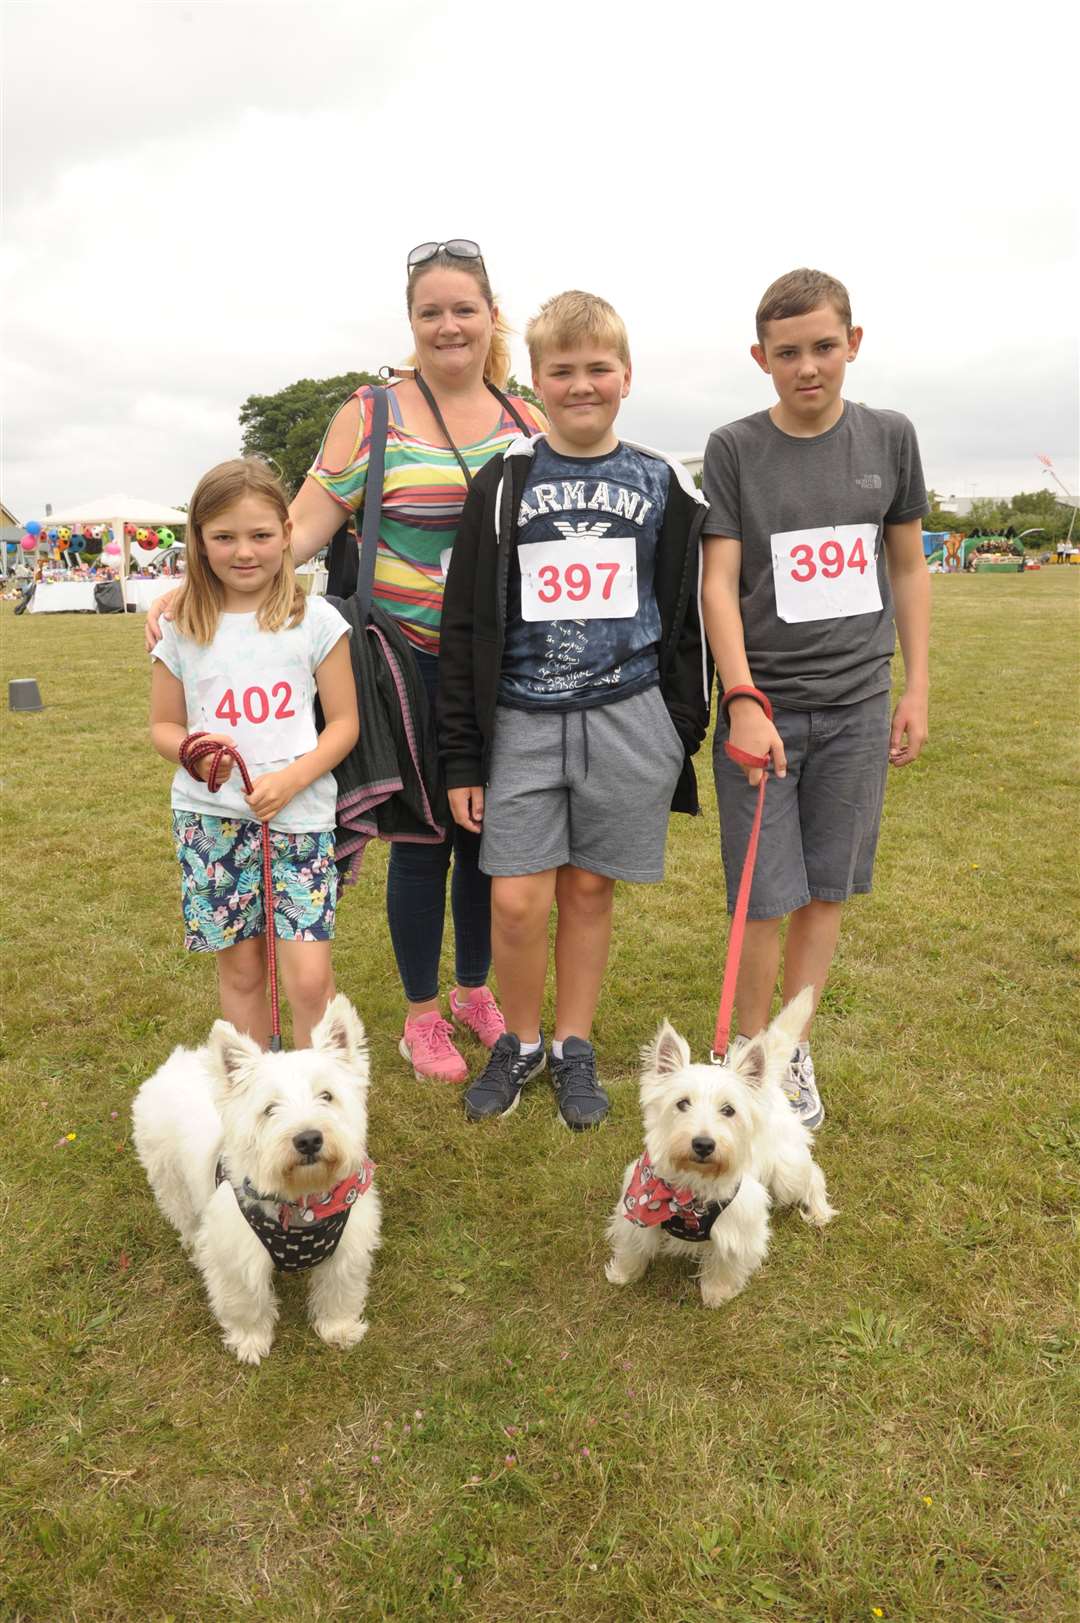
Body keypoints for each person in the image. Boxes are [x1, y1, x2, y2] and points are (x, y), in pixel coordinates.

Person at [149, 241, 544, 1084]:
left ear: (490, 316)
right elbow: (298, 525)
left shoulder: (527, 421)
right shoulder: (372, 413)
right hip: (402, 661)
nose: (448, 325)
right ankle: (421, 1015)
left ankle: (475, 988)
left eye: (463, 309)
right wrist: (197, 586)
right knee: (421, 838)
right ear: (411, 323)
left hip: (499, 664)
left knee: (489, 837)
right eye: (430, 311)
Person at [438, 291, 710, 1128]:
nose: (582, 384)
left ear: (626, 376)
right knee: (516, 900)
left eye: (599, 369)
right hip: (520, 717)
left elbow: (690, 609)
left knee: (590, 889)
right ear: (536, 380)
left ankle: (572, 1046)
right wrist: (461, 756)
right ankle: (517, 1042)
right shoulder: (503, 480)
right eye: (563, 371)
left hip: (627, 716)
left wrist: (678, 726)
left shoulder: (663, 481)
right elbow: (467, 621)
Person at [701, 267, 930, 1129]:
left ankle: (791, 1052)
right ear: (761, 358)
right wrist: (744, 699)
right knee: (765, 896)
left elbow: (906, 565)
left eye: (825, 347)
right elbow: (719, 586)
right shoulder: (734, 449)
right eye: (788, 352)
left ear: (853, 345)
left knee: (824, 891)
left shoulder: (890, 438)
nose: (809, 366)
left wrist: (916, 685)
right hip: (766, 713)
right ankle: (747, 1056)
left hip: (857, 706)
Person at [149, 458, 359, 1048]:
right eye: (224, 537)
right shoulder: (183, 626)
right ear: (199, 541)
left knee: (311, 979)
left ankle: (321, 1112)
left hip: (298, 819)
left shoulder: (317, 621)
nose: (245, 552)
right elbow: (163, 726)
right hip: (211, 823)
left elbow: (344, 725)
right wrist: (190, 750)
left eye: (261, 535)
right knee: (241, 973)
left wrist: (293, 780)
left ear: (287, 536)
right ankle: (252, 1122)